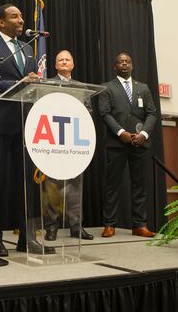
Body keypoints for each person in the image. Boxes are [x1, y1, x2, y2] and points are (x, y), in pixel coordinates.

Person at [0, 3, 54, 256]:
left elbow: (30, 84)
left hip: (25, 126)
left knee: (27, 186)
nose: (20, 20)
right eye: (14, 16)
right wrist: (16, 83)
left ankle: (27, 239)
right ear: (1, 22)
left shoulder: (27, 48)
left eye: (20, 16)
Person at [98, 52, 157, 238]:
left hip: (139, 143)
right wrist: (121, 132)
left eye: (127, 62)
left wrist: (144, 134)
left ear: (132, 66)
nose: (124, 64)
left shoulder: (144, 88)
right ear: (114, 67)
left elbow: (152, 114)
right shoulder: (106, 88)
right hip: (117, 143)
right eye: (120, 62)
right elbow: (104, 113)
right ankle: (109, 224)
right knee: (112, 185)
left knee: (140, 185)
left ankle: (139, 225)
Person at [43, 50, 94, 241]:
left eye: (67, 59)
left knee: (75, 187)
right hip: (53, 141)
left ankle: (76, 227)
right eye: (60, 60)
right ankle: (52, 228)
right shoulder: (47, 84)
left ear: (72, 64)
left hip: (75, 142)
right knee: (52, 187)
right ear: (55, 65)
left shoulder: (82, 87)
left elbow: (88, 111)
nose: (64, 62)